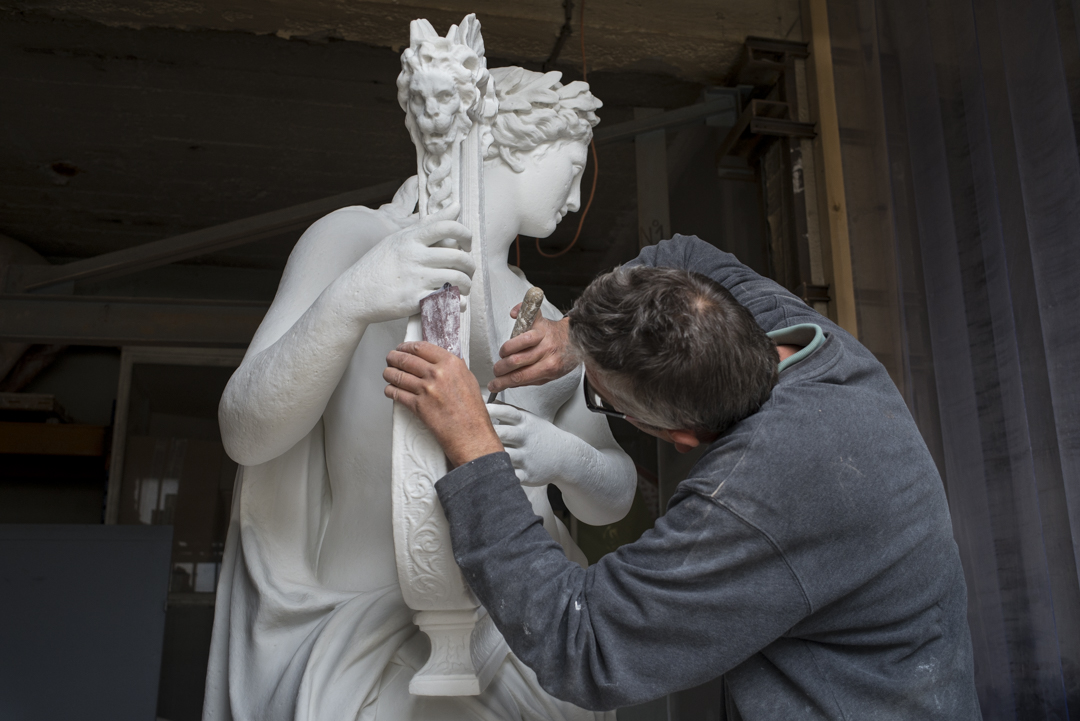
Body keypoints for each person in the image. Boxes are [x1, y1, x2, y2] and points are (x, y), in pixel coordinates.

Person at [383, 234, 982, 720]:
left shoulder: (754, 497)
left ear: (679, 437)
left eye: (602, 397)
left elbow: (583, 644)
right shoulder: (816, 352)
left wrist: (474, 449)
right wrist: (577, 335)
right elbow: (690, 256)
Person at [204, 67, 635, 721]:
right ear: (513, 144)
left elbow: (613, 494)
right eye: (570, 167)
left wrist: (561, 457)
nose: (575, 202)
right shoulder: (358, 241)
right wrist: (352, 299)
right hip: (370, 635)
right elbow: (246, 429)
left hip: (525, 635)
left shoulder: (546, 318)